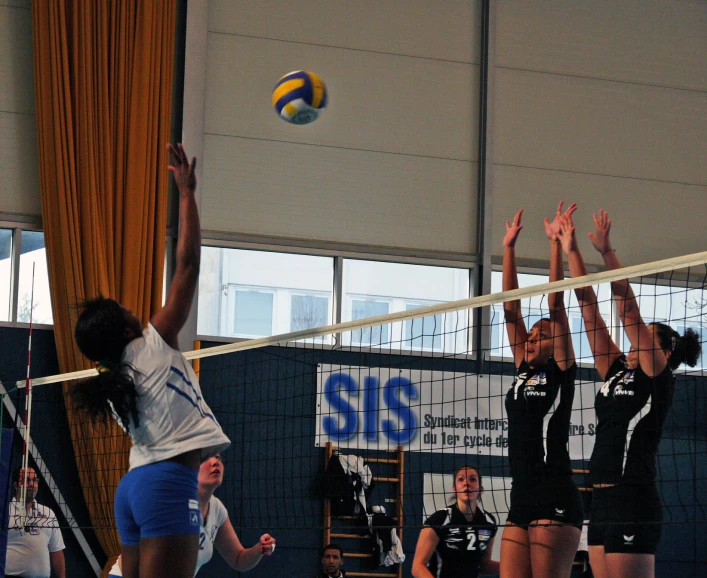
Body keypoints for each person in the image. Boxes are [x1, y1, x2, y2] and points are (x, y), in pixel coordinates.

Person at [72, 143, 231, 578]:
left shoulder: (112, 378)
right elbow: (189, 263)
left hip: (135, 488)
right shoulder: (152, 340)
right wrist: (186, 193)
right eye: (124, 309)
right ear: (126, 329)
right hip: (165, 486)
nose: (132, 309)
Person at [555, 209, 701, 578]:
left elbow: (629, 312)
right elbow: (588, 309)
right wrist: (570, 248)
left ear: (664, 352)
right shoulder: (617, 369)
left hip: (632, 496)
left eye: (645, 339)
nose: (635, 343)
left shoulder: (658, 375)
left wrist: (607, 253)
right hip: (600, 497)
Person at [499, 202, 583, 578]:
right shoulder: (523, 368)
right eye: (529, 337)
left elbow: (557, 305)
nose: (531, 340)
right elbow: (510, 310)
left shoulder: (562, 371)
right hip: (521, 493)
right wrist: (508, 249)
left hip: (554, 492)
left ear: (555, 344)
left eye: (540, 336)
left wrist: (554, 247)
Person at [108, 454, 275, 577]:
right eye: (207, 459)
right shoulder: (171, 502)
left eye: (218, 458)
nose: (216, 462)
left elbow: (239, 560)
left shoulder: (217, 510)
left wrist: (259, 549)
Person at [412, 465, 498, 578]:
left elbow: (485, 565)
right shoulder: (440, 519)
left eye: (472, 479)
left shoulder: (488, 522)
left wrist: (520, 567)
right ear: (454, 488)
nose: (466, 483)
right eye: (461, 479)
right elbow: (418, 566)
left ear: (480, 488)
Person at [5, 467, 66, 578]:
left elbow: (56, 552)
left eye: (35, 480)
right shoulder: (5, 511)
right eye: (27, 480)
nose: (32, 484)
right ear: (15, 485)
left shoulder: (48, 513)